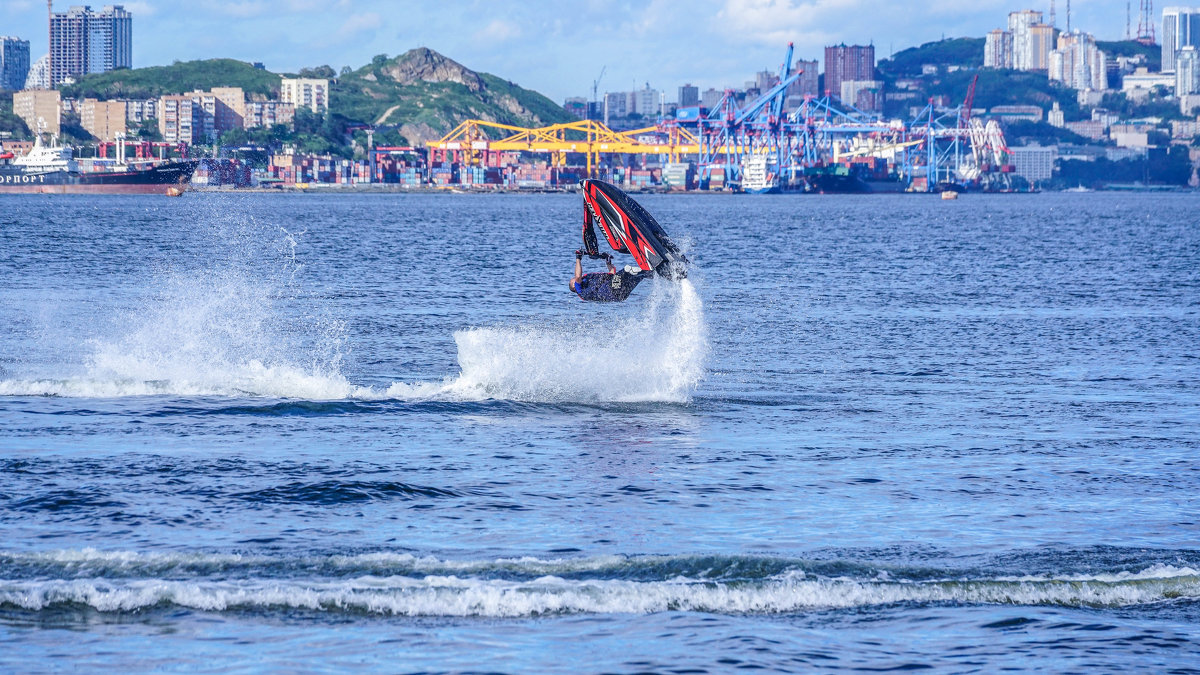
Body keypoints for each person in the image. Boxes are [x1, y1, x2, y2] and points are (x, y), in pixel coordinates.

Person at [569, 250, 653, 302]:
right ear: (574, 286)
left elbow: (612, 274)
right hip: (612, 289)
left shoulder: (588, 284)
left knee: (640, 276)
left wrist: (608, 261)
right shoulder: (579, 289)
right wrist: (578, 258)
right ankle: (643, 268)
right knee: (627, 270)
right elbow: (578, 277)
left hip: (621, 295)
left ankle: (658, 273)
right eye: (573, 280)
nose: (575, 278)